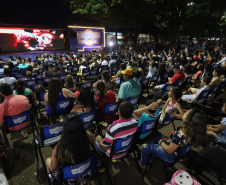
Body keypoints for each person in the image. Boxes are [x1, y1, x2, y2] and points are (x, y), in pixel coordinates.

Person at [140, 109, 208, 167]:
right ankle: (154, 154)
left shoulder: (180, 135)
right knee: (157, 137)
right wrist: (167, 140)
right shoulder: (192, 131)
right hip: (178, 152)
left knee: (144, 146)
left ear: (189, 120)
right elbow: (176, 141)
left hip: (170, 155)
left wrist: (161, 143)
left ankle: (144, 164)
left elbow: (169, 150)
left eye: (185, 113)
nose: (183, 113)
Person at [46, 114, 91, 179]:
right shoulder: (89, 137)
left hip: (69, 178)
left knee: (48, 160)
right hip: (85, 171)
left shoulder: (59, 148)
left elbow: (53, 168)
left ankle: (51, 180)